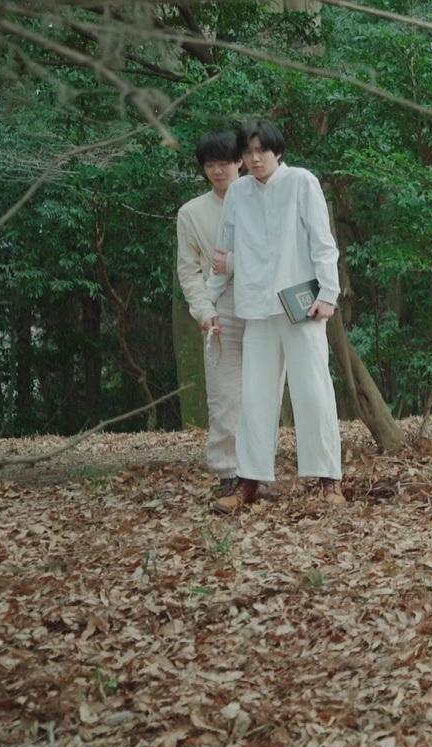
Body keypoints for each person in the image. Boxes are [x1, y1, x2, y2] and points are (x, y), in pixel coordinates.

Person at [207, 119, 346, 511]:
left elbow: (322, 243)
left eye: (261, 151)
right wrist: (209, 304)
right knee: (255, 397)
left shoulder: (301, 182)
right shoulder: (239, 193)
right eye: (248, 152)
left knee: (313, 391)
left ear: (277, 151)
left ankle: (329, 480)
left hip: (302, 305)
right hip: (257, 308)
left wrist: (329, 294)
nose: (255, 159)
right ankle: (248, 482)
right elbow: (223, 252)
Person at [176, 130, 246, 496]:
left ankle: (259, 471)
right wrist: (203, 310)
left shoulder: (261, 199)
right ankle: (228, 472)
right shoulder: (191, 212)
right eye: (209, 165)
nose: (217, 171)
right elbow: (188, 269)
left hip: (264, 303)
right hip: (220, 302)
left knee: (263, 391)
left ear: (240, 162)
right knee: (223, 393)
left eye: (224, 163)